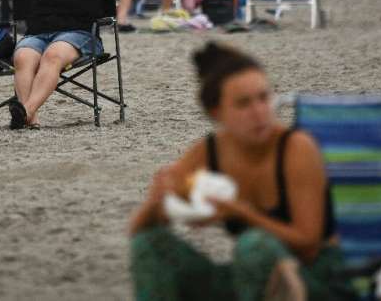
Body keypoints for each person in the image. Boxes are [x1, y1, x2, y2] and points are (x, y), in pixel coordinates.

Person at [129, 42, 355, 301]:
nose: (260, 113)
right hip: (253, 280)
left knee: (254, 246)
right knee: (149, 246)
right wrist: (156, 201)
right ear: (218, 113)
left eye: (264, 98)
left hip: (319, 280)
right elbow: (138, 232)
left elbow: (309, 246)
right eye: (244, 104)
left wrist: (241, 213)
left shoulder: (295, 148)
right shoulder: (209, 151)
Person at [8, 0, 120, 129]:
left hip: (81, 34)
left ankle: (26, 110)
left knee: (53, 55)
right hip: (40, 32)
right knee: (23, 56)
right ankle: (29, 117)